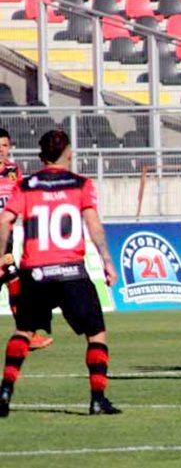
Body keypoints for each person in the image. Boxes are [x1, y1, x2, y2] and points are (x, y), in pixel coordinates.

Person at [0, 130, 120, 417]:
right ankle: (97, 399)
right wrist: (107, 262)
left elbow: (6, 220)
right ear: (68, 152)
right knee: (96, 333)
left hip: (36, 272)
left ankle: (5, 392)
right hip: (71, 272)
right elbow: (94, 228)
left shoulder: (26, 185)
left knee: (23, 331)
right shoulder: (81, 184)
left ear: (41, 156)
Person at [0, 128, 53, 351]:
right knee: (14, 280)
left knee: (15, 282)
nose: (0, 150)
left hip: (7, 238)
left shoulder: (13, 170)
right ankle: (26, 334)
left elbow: (21, 198)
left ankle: (26, 334)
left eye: (4, 145)